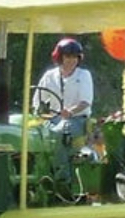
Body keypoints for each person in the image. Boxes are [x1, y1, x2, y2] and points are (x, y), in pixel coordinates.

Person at [32, 37, 93, 183]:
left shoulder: (83, 75)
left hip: (77, 120)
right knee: (33, 133)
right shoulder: (49, 76)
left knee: (59, 132)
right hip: (53, 119)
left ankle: (62, 179)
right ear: (60, 57)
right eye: (68, 57)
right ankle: (37, 173)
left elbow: (85, 102)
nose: (72, 60)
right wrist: (41, 113)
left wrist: (70, 111)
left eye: (75, 57)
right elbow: (38, 100)